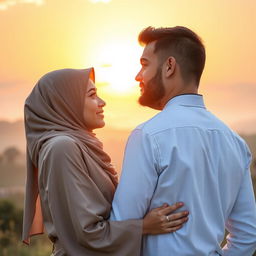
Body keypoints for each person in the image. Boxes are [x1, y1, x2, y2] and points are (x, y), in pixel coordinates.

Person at [110, 26, 256, 256]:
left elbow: (122, 225)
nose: (138, 75)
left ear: (169, 66)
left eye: (145, 64)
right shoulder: (235, 142)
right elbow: (248, 234)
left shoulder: (148, 136)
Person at [22, 68, 189, 256]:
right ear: (65, 103)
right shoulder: (62, 148)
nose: (102, 102)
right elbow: (84, 234)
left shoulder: (78, 145)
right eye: (92, 95)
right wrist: (144, 226)